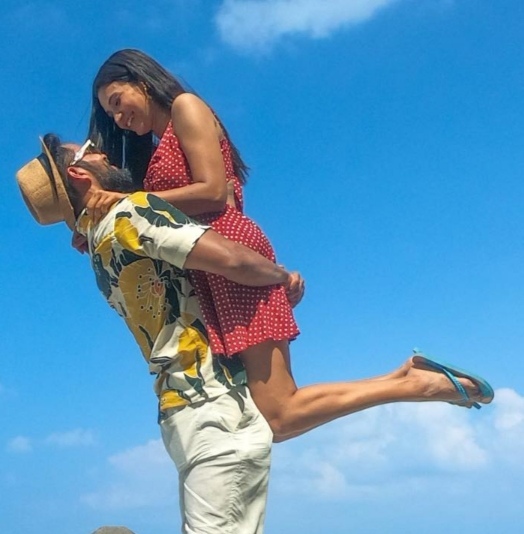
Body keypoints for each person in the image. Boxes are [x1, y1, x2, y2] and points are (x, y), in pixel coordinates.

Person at [17, 135, 493, 532]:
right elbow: (230, 259)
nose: (104, 151)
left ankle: (409, 384)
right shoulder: (131, 215)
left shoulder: (99, 246)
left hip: (186, 412)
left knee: (282, 417)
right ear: (80, 174)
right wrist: (280, 278)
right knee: (281, 419)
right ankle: (411, 384)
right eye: (93, 150)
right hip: (214, 412)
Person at [85, 49, 495, 442]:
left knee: (278, 415)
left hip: (228, 253)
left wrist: (130, 203)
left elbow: (213, 192)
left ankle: (418, 386)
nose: (120, 119)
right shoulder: (159, 148)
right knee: (270, 413)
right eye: (111, 114)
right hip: (211, 265)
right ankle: (402, 378)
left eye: (118, 102)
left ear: (141, 81)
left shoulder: (186, 107)